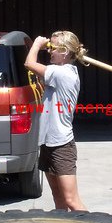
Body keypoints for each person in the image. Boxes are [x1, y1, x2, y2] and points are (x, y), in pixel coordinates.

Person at [24, 31, 87, 211]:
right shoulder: (57, 73)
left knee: (71, 200)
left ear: (65, 52)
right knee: (58, 198)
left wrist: (36, 44)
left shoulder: (63, 73)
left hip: (61, 144)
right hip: (48, 142)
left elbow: (29, 64)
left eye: (53, 48)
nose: (49, 51)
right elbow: (37, 75)